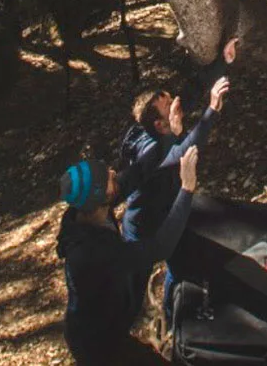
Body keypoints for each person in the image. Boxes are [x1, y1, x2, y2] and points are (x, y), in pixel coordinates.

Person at [114, 39, 237, 317]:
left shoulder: (163, 126)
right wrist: (213, 109)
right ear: (159, 124)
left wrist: (224, 61)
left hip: (169, 215)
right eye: (169, 106)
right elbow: (186, 150)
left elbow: (190, 93)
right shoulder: (151, 151)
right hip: (142, 229)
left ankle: (173, 320)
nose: (175, 105)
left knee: (180, 267)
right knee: (132, 292)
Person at [58, 146, 200, 366]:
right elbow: (160, 247)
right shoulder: (93, 252)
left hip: (98, 329)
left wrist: (167, 140)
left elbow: (136, 173)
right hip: (98, 345)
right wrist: (187, 189)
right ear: (100, 197)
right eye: (107, 178)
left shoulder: (86, 210)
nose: (113, 172)